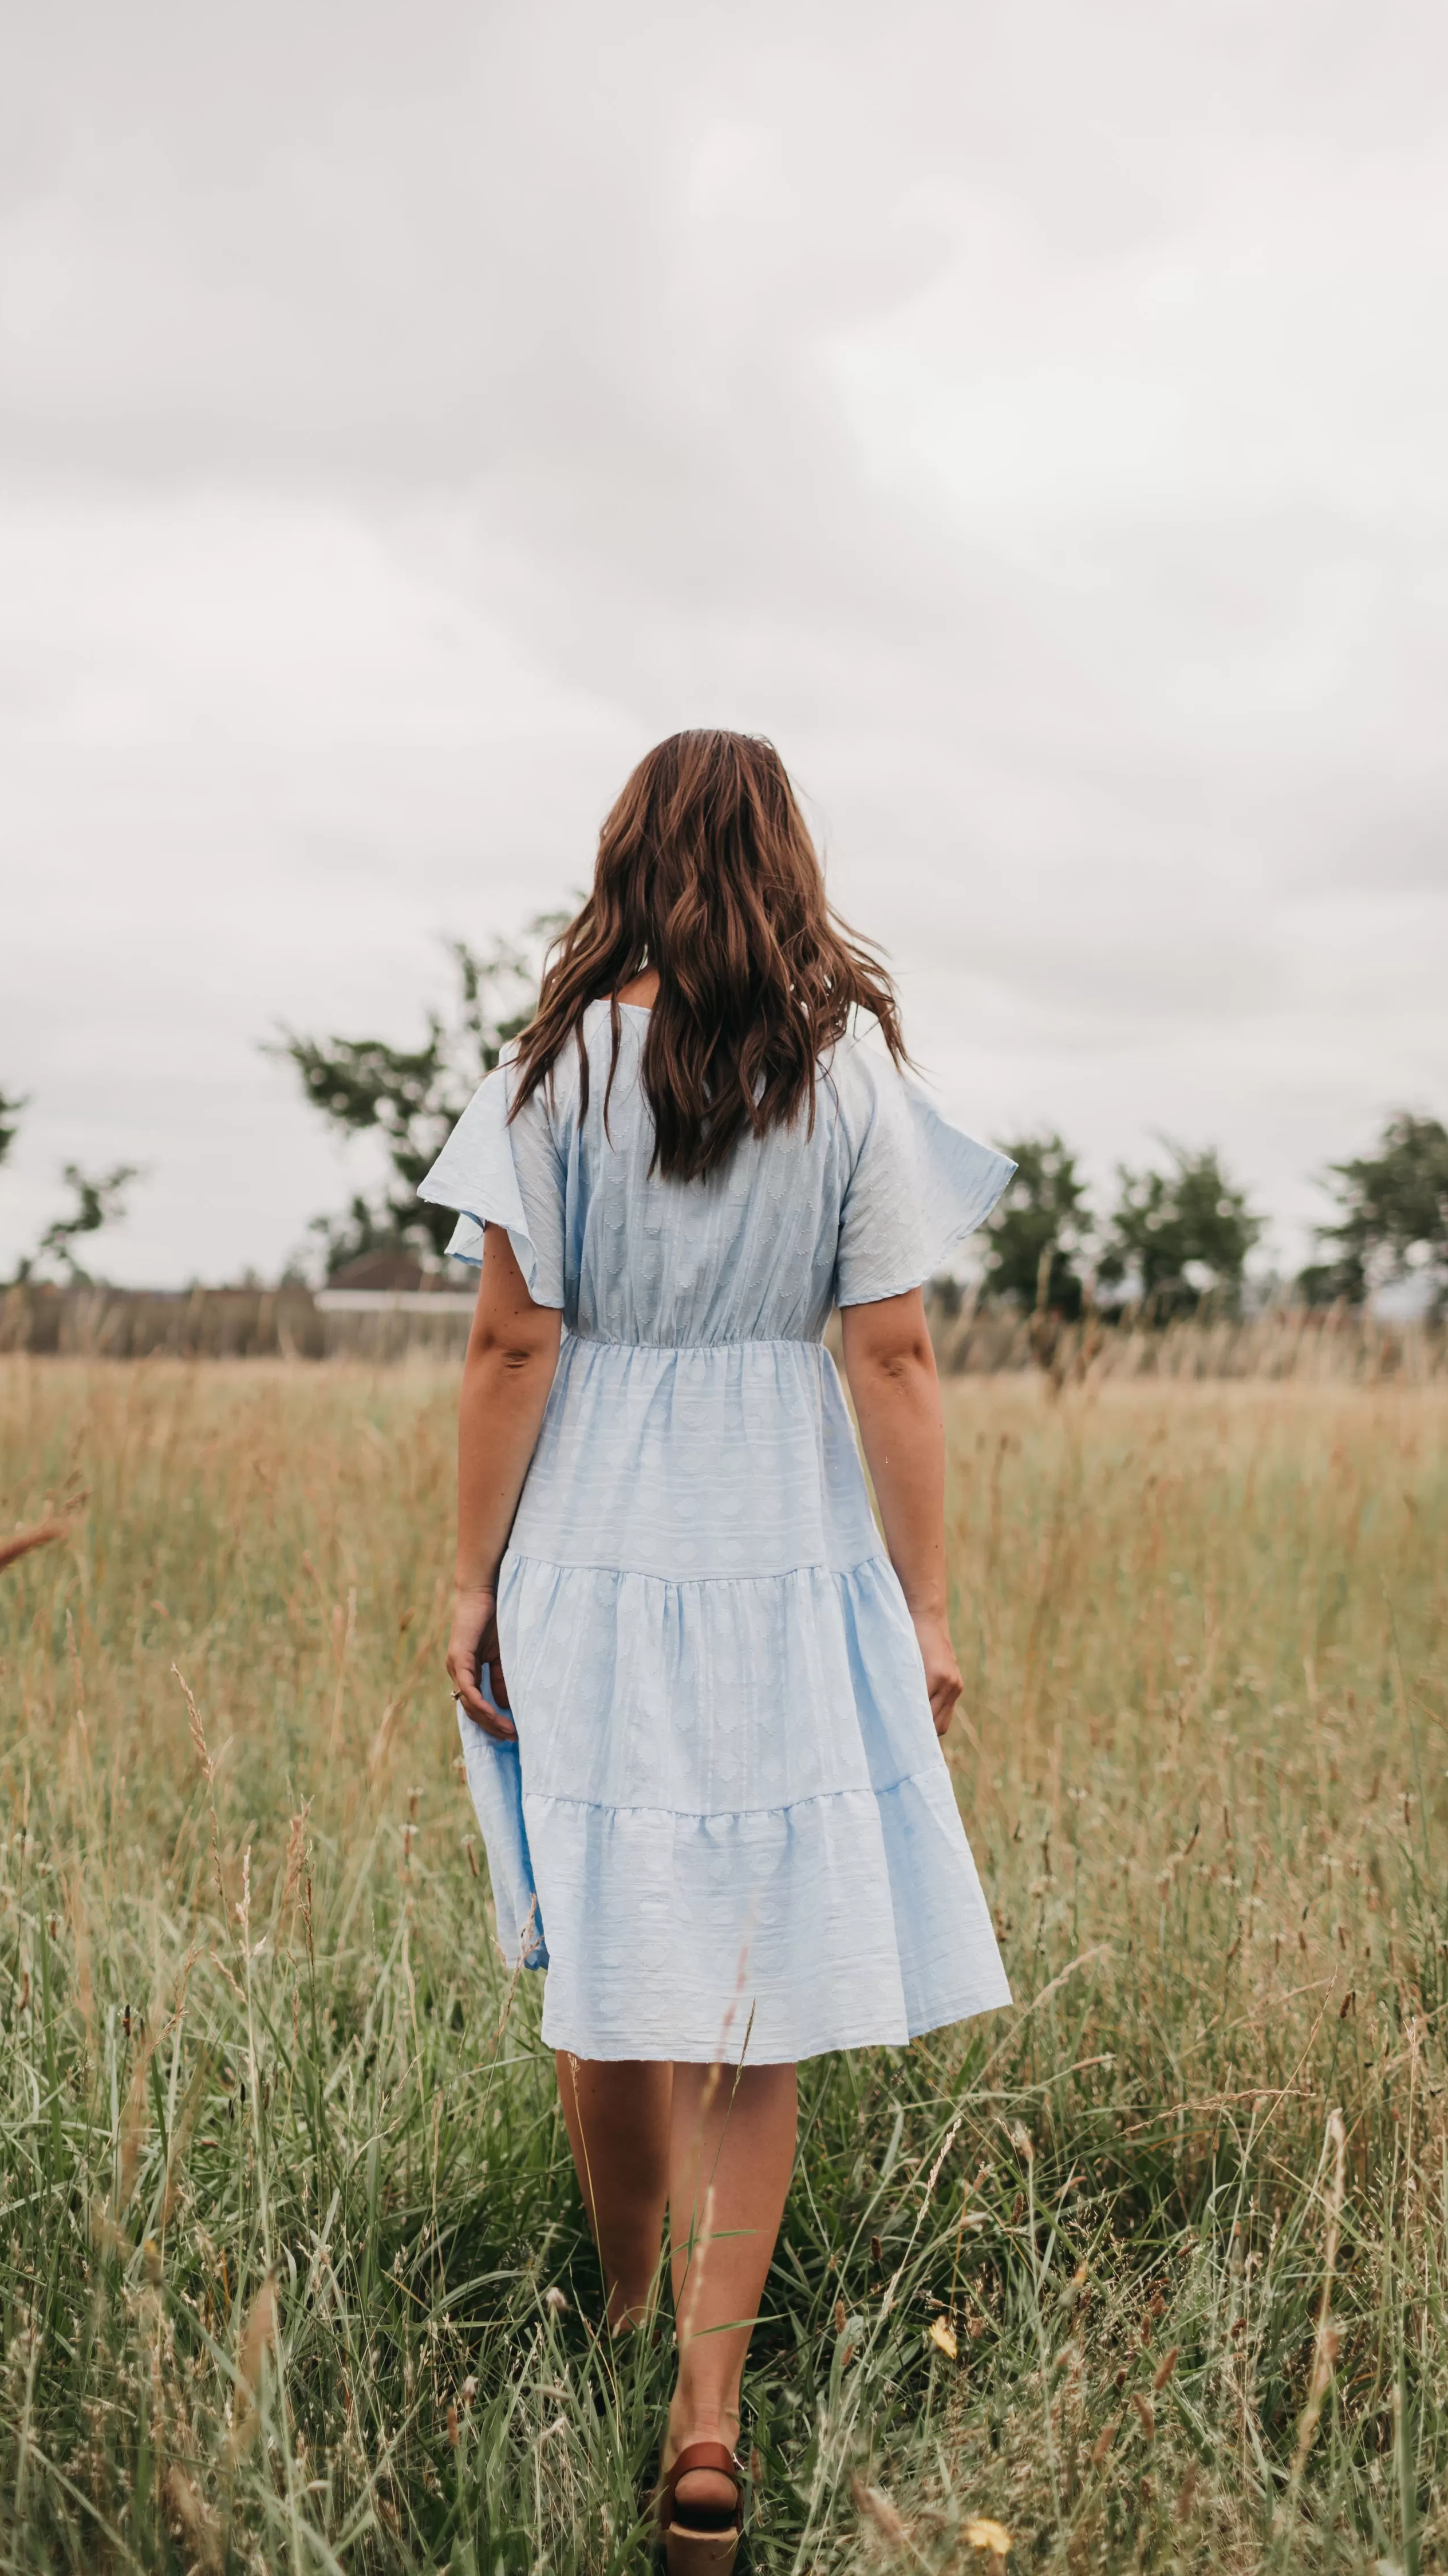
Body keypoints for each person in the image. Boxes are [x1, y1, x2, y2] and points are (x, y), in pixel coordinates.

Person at [421, 730, 1013, 2573]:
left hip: (592, 1542)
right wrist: (921, 1602)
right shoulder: (848, 1075)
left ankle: (614, 2314)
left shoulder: (556, 1065)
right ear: (784, 857)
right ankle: (705, 2413)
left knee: (618, 1941)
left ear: (629, 856)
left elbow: (514, 1348)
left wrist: (468, 1576)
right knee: (757, 1985)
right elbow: (895, 1354)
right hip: (786, 1542)